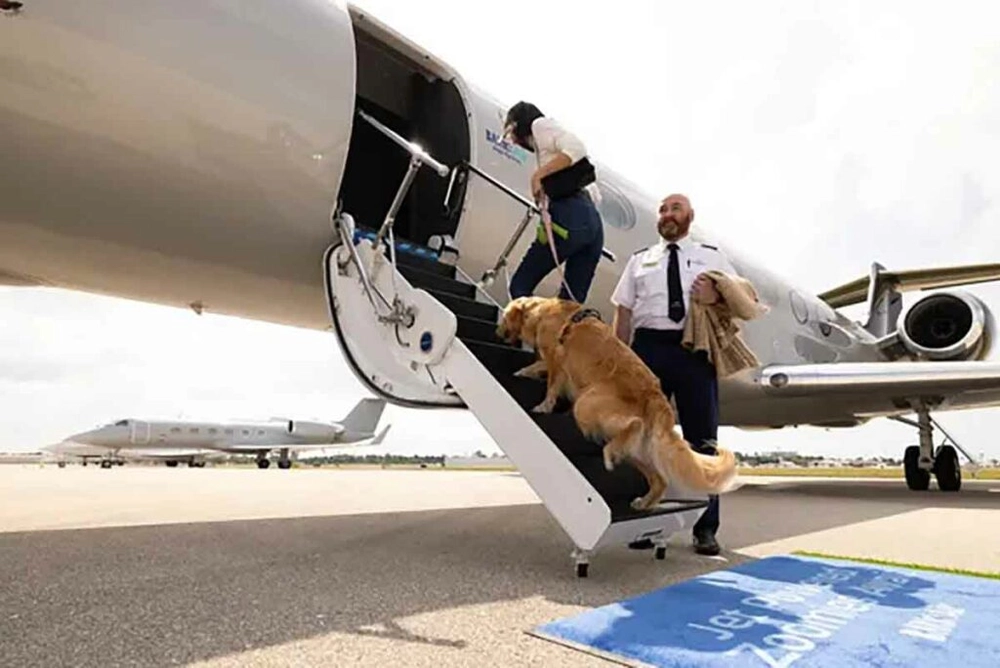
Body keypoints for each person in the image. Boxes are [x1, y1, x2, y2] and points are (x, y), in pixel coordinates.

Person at [609, 193, 739, 556]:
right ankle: (646, 524)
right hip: (648, 350)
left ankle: (706, 528)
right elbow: (623, 312)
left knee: (703, 439)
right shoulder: (639, 261)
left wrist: (716, 295)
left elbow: (741, 295)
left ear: (690, 216)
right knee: (645, 441)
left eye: (675, 209)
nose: (667, 214)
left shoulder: (711, 255)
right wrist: (618, 362)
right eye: (663, 210)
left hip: (693, 350)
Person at [502, 101, 604, 303]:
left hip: (570, 215)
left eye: (510, 133)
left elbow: (577, 147)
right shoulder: (547, 150)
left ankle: (527, 332)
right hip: (592, 224)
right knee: (569, 304)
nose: (512, 140)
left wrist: (538, 176)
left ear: (517, 124)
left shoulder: (539, 125)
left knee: (520, 286)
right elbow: (595, 198)